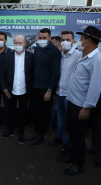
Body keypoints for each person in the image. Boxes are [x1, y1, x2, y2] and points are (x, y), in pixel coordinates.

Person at [60, 26, 101, 175]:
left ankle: (78, 164)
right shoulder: (83, 55)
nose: (79, 41)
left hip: (81, 106)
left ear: (88, 40)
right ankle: (72, 156)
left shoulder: (97, 59)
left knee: (78, 135)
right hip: (72, 101)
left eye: (82, 39)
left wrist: (87, 107)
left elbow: (95, 86)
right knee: (71, 132)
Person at [49, 31, 82, 156]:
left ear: (73, 41)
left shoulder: (78, 55)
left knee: (70, 121)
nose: (65, 42)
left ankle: (67, 144)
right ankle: (59, 137)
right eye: (63, 40)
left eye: (68, 40)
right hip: (59, 92)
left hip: (71, 95)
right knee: (60, 117)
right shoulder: (59, 55)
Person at [27, 28, 61, 145]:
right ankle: (36, 132)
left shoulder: (54, 51)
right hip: (35, 87)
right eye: (40, 38)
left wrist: (50, 90)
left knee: (43, 113)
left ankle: (41, 136)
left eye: (44, 38)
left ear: (50, 38)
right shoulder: (36, 49)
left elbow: (55, 72)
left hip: (46, 89)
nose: (41, 40)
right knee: (34, 111)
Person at [0, 35, 33, 144]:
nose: (18, 45)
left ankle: (21, 133)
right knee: (10, 112)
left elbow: (33, 74)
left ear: (25, 44)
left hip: (24, 91)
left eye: (20, 43)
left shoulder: (30, 56)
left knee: (22, 114)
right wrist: (4, 89)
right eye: (16, 43)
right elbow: (2, 74)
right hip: (10, 91)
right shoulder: (8, 56)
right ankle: (10, 131)